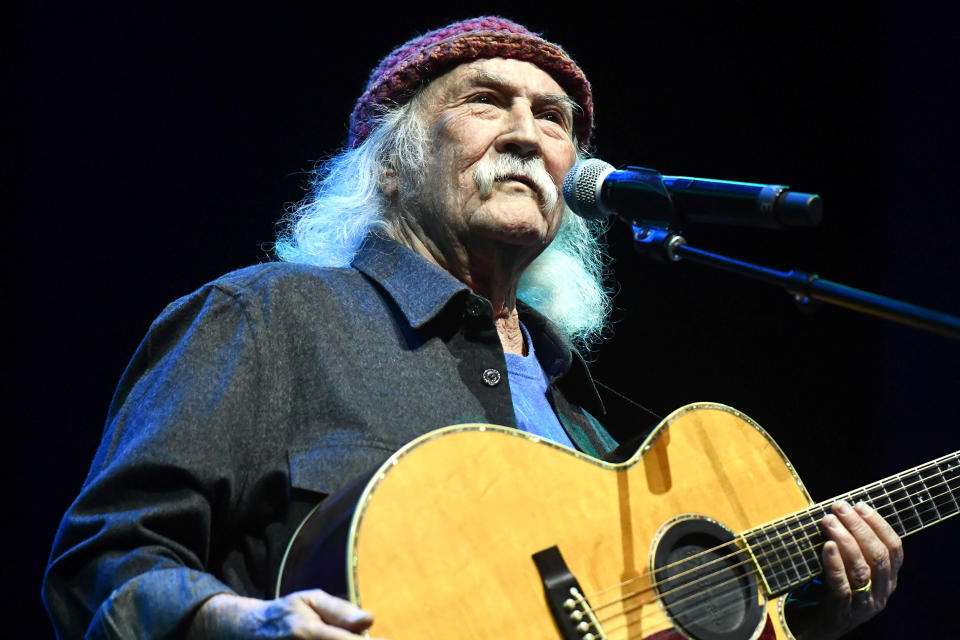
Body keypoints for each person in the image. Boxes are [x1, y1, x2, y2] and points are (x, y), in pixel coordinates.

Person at [43, 16, 903, 640]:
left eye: (555, 118)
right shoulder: (267, 317)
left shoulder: (588, 419)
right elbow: (101, 565)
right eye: (487, 103)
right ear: (390, 166)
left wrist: (811, 613)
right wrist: (240, 624)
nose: (529, 134)